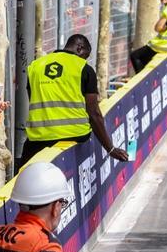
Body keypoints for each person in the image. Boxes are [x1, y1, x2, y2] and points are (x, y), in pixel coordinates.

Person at [20, 35, 130, 169]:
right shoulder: (83, 68)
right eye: (85, 56)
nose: (84, 60)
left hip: (39, 135)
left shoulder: (35, 66)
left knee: (22, 171)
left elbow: (33, 97)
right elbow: (94, 113)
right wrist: (111, 149)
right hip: (74, 134)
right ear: (79, 48)